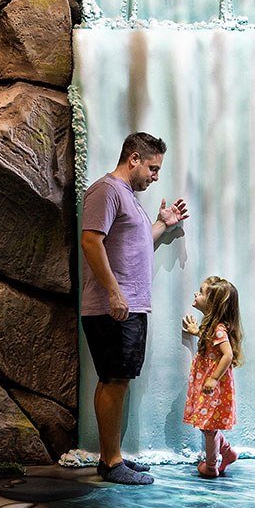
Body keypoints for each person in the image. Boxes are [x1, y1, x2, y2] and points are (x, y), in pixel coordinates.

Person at [81, 131, 188, 485]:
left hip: (128, 306)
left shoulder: (127, 197)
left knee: (118, 379)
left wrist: (163, 225)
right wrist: (113, 293)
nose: (155, 176)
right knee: (113, 380)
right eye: (153, 169)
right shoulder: (107, 190)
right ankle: (111, 464)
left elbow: (135, 243)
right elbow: (90, 241)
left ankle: (112, 459)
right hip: (113, 307)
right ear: (134, 159)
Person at [182, 276, 243, 478]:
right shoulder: (213, 327)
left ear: (213, 303)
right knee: (206, 423)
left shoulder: (218, 329)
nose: (196, 294)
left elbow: (228, 354)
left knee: (208, 426)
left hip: (213, 385)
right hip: (207, 383)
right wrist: (195, 331)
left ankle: (210, 467)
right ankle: (227, 453)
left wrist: (214, 379)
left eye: (201, 292)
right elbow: (211, 341)